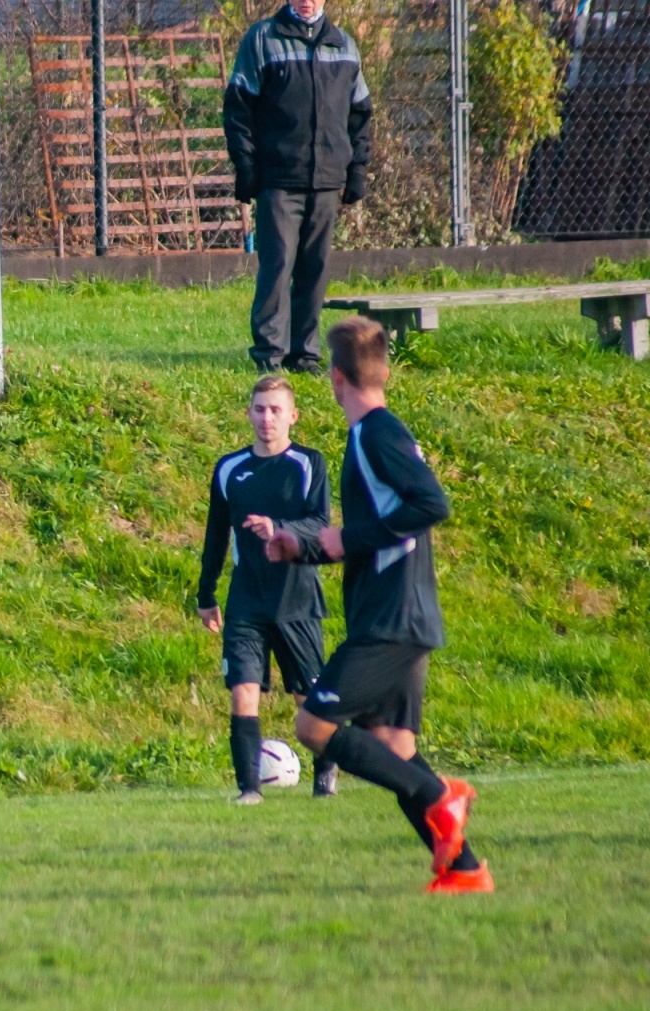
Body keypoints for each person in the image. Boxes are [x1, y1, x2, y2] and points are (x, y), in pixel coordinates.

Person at [266, 317, 490, 893]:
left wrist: (349, 539)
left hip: (392, 619)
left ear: (335, 378)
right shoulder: (377, 434)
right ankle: (464, 873)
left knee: (314, 725)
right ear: (383, 370)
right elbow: (373, 529)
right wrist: (309, 546)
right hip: (398, 614)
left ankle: (441, 795)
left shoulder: (375, 434)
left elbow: (430, 504)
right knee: (394, 748)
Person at [197, 375, 337, 804]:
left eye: (276, 410)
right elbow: (215, 536)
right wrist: (206, 595)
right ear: (248, 413)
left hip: (296, 599)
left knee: (307, 701)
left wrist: (279, 529)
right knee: (243, 690)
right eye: (259, 409)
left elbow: (320, 526)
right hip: (246, 600)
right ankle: (249, 790)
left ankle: (325, 780)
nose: (266, 418)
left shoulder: (309, 463)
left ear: (292, 416)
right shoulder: (229, 469)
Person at [224, 0, 373, 373]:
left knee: (315, 268)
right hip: (278, 180)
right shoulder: (262, 40)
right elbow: (237, 108)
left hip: (326, 181)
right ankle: (269, 354)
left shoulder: (344, 45)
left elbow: (361, 115)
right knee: (277, 265)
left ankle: (304, 355)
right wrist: (246, 167)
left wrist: (357, 170)